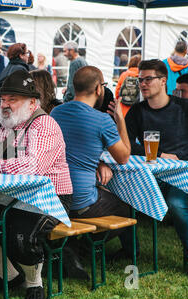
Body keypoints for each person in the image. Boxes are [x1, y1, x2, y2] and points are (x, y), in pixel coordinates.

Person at [0, 69, 73, 299]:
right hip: (10, 194)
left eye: (12, 99)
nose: (5, 104)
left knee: (21, 233)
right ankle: (8, 274)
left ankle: (34, 283)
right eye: (3, 99)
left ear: (31, 102)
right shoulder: (1, 124)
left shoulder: (44, 124)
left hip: (49, 195)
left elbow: (34, 166)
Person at [125, 59, 188, 280]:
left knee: (177, 203)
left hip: (179, 177)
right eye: (140, 79)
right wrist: (159, 154)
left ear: (163, 81)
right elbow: (126, 145)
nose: (142, 83)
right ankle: (129, 250)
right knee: (119, 195)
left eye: (148, 79)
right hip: (147, 175)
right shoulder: (137, 111)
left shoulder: (185, 107)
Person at [50, 66, 136, 263]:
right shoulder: (103, 120)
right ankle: (89, 248)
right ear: (99, 89)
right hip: (81, 200)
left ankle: (73, 246)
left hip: (56, 197)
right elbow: (123, 157)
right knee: (128, 207)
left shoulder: (56, 112)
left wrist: (96, 161)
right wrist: (120, 121)